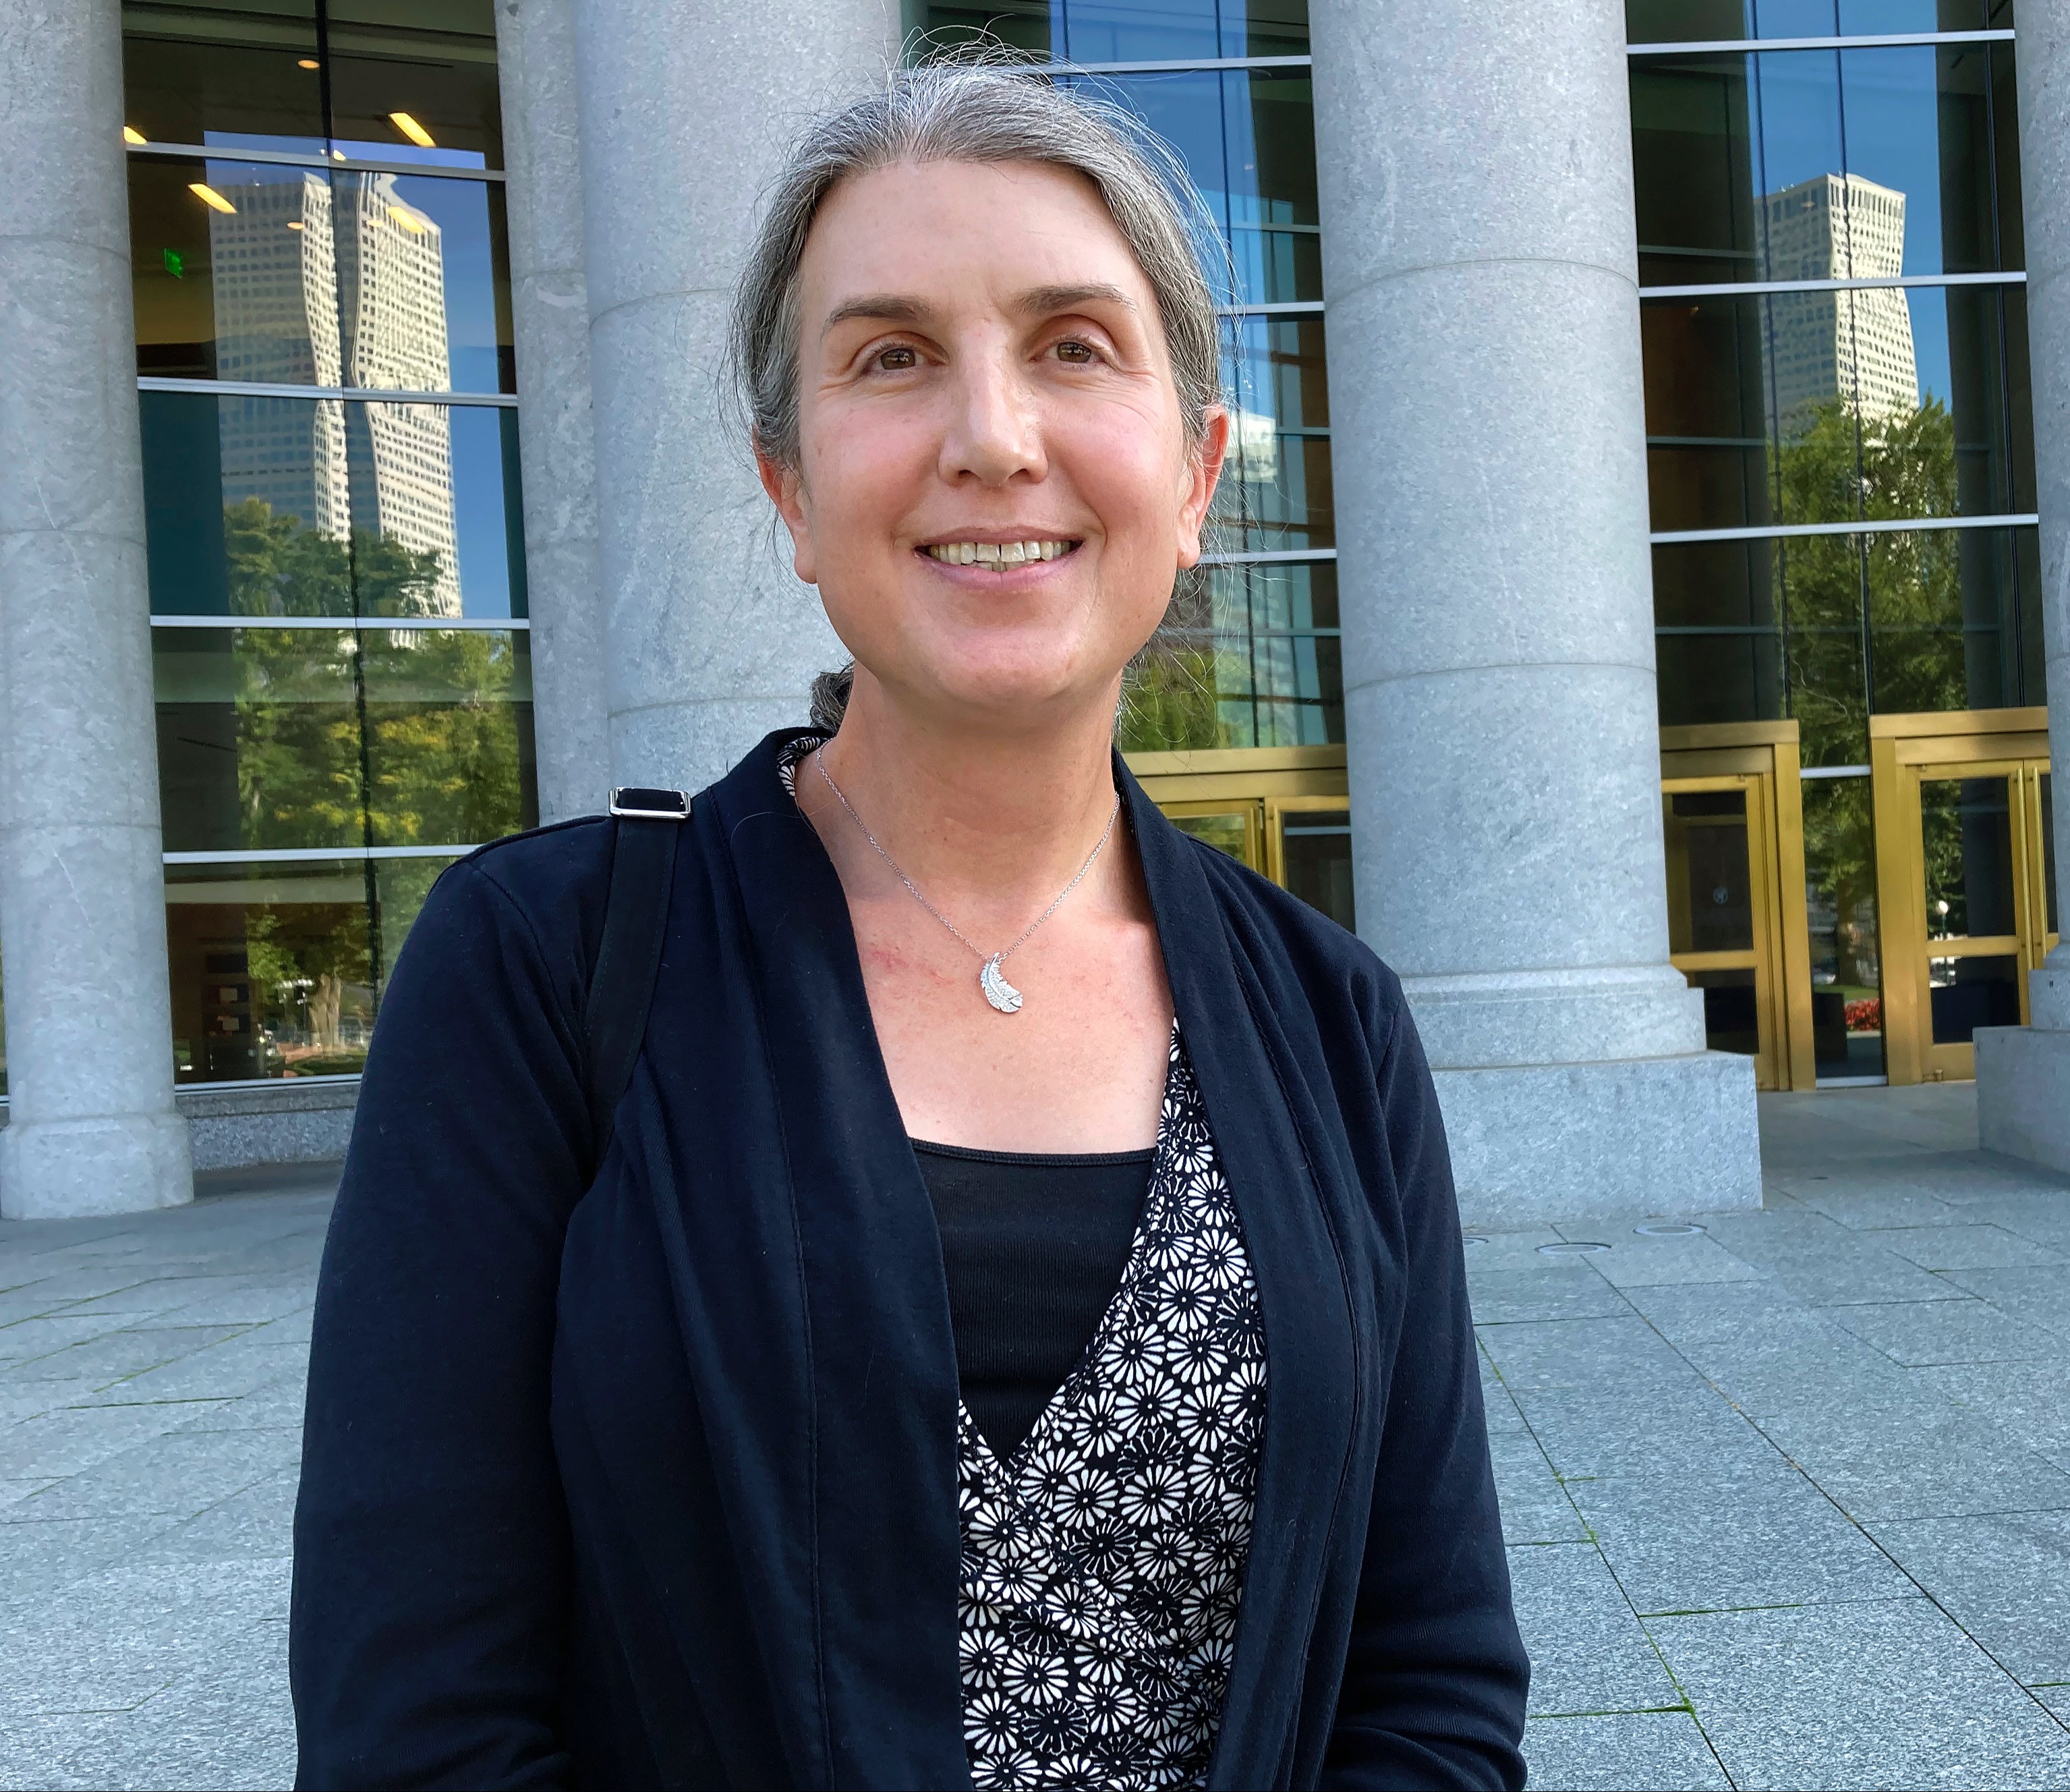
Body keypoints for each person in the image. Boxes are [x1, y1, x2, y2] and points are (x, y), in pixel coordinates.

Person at [290, 64, 1528, 1791]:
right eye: (889, 357)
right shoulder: (539, 966)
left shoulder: (1331, 1020)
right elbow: (415, 1719)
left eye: (1074, 345)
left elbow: (1433, 1678)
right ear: (792, 490)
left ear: (1195, 474)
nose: (991, 435)